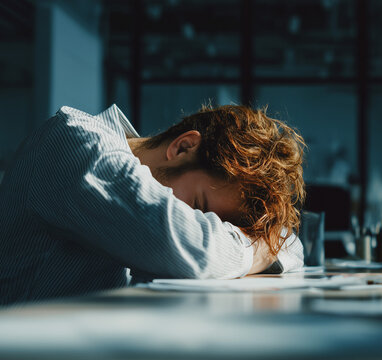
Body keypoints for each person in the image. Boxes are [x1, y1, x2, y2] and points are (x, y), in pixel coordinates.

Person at [0, 104, 305, 305]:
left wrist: (260, 245)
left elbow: (290, 243)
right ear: (183, 146)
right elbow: (186, 247)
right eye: (199, 208)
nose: (207, 227)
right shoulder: (79, 146)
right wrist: (261, 248)